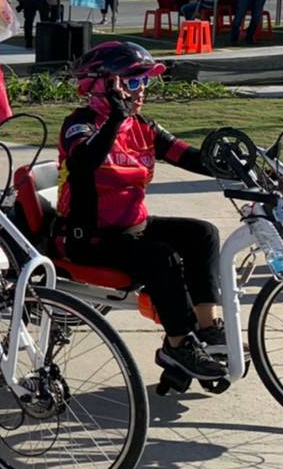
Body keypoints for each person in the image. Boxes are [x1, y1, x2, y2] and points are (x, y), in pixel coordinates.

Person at [55, 42, 226, 382]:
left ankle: (207, 329)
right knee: (161, 258)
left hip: (132, 229)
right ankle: (178, 346)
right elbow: (84, 161)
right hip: (88, 238)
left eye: (145, 82)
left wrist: (239, 164)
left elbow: (188, 156)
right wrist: (116, 119)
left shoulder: (142, 126)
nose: (142, 90)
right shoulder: (80, 124)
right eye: (133, 82)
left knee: (202, 233)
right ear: (103, 85)